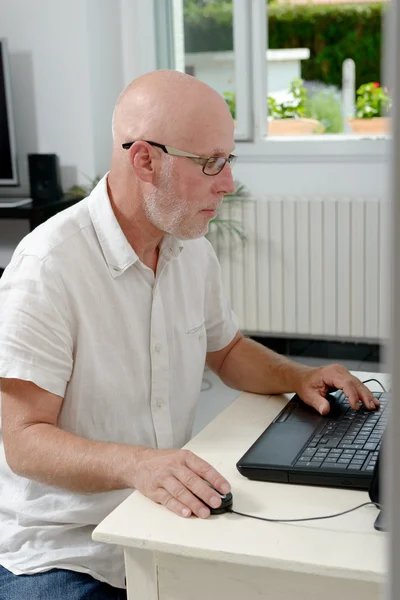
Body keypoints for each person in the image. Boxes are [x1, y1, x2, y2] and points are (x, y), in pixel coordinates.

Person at [0, 70, 379, 599]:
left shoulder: (187, 245)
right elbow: (23, 443)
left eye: (228, 161)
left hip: (164, 521)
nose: (227, 184)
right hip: (67, 551)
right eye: (209, 164)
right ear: (145, 161)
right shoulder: (47, 268)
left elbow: (226, 351)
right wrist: (137, 465)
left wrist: (301, 375)